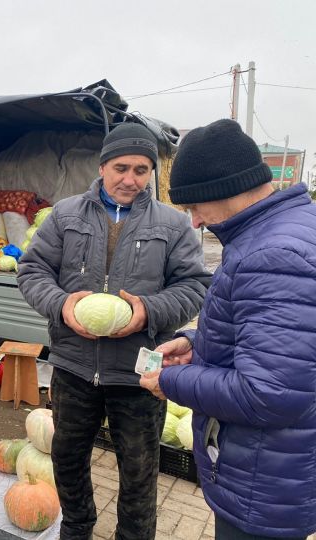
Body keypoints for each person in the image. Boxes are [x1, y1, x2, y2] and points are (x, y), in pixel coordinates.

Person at [18, 122, 211, 540]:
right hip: (73, 365)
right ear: (103, 166)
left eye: (141, 170)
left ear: (152, 174)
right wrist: (61, 304)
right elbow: (33, 272)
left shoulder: (173, 224)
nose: (130, 179)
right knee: (68, 458)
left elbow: (195, 286)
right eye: (121, 167)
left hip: (141, 373)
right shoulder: (65, 215)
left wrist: (147, 312)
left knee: (139, 470)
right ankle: (77, 526)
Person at [140, 119, 316, 540]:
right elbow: (283, 345)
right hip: (281, 470)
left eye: (196, 207)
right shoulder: (290, 227)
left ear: (224, 188)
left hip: (264, 481)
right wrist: (195, 343)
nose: (196, 222)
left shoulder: (272, 254)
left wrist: (173, 380)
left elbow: (268, 393)